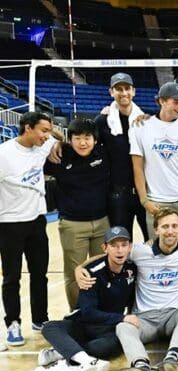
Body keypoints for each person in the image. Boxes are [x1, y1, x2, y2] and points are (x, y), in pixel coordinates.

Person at [76, 208, 178, 371]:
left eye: (174, 226)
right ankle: (140, 366)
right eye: (165, 226)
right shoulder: (139, 251)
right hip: (145, 319)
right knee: (123, 325)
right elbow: (108, 255)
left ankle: (171, 360)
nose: (170, 231)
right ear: (156, 230)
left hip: (174, 317)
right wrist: (79, 268)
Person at [38, 226, 135, 371]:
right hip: (83, 324)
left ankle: (63, 352)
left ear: (130, 247)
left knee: (112, 345)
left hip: (109, 328)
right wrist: (122, 318)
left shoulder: (132, 268)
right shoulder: (90, 272)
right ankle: (86, 360)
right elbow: (88, 312)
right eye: (114, 246)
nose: (119, 250)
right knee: (49, 327)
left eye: (124, 245)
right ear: (105, 248)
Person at [0, 111, 55, 345]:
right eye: (43, 130)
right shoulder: (4, 154)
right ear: (28, 128)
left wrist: (53, 138)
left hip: (37, 221)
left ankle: (40, 319)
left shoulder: (41, 147)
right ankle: (13, 323)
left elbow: (57, 139)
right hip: (9, 223)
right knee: (11, 277)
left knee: (40, 274)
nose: (47, 136)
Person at [43, 118, 110, 310]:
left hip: (102, 222)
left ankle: (101, 313)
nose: (82, 143)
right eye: (77, 138)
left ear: (95, 140)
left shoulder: (103, 154)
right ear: (69, 139)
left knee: (102, 270)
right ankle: (78, 313)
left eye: (87, 138)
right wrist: (55, 141)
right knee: (75, 273)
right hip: (72, 225)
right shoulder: (58, 156)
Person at [130, 81, 178, 242]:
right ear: (162, 101)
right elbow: (138, 167)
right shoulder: (140, 127)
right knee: (159, 252)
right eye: (176, 102)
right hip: (157, 202)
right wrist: (144, 200)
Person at [95, 72, 149, 241]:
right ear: (111, 92)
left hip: (146, 192)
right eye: (119, 89)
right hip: (118, 195)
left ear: (134, 91)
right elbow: (87, 145)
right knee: (121, 243)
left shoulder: (147, 119)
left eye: (127, 88)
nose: (124, 93)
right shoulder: (103, 121)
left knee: (153, 240)